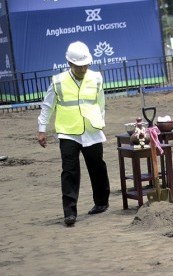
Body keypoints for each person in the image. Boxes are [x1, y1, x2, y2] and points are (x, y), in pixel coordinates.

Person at [37, 41, 111, 226]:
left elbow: (100, 102)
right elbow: (48, 105)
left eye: (86, 64)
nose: (83, 68)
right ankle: (69, 212)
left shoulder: (96, 78)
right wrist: (42, 128)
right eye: (79, 66)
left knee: (97, 166)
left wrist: (101, 121)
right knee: (69, 171)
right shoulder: (58, 81)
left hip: (92, 129)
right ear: (70, 63)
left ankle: (102, 202)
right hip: (68, 132)